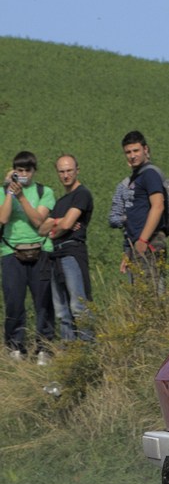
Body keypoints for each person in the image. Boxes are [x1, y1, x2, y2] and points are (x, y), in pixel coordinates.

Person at [1, 152, 55, 363]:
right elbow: (3, 217)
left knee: (43, 300)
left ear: (34, 171)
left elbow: (38, 219)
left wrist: (21, 196)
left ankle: (44, 347)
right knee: (14, 300)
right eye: (19, 170)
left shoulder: (44, 191)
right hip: (10, 251)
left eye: (27, 170)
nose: (24, 174)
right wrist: (9, 192)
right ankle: (15, 346)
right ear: (14, 170)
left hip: (40, 249)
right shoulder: (4, 191)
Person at [38, 154, 93, 342]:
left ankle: (88, 351)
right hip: (55, 256)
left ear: (77, 170)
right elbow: (42, 229)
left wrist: (56, 226)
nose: (66, 175)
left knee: (79, 306)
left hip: (72, 253)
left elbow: (67, 225)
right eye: (62, 171)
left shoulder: (82, 194)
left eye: (69, 170)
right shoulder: (61, 201)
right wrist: (58, 222)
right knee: (62, 310)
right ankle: (68, 354)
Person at [112, 131, 167, 288]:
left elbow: (158, 205)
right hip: (138, 243)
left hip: (151, 241)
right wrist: (129, 251)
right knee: (141, 296)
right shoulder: (136, 178)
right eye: (128, 152)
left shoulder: (150, 174)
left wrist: (143, 240)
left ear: (145, 149)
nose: (132, 155)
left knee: (152, 294)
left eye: (136, 151)